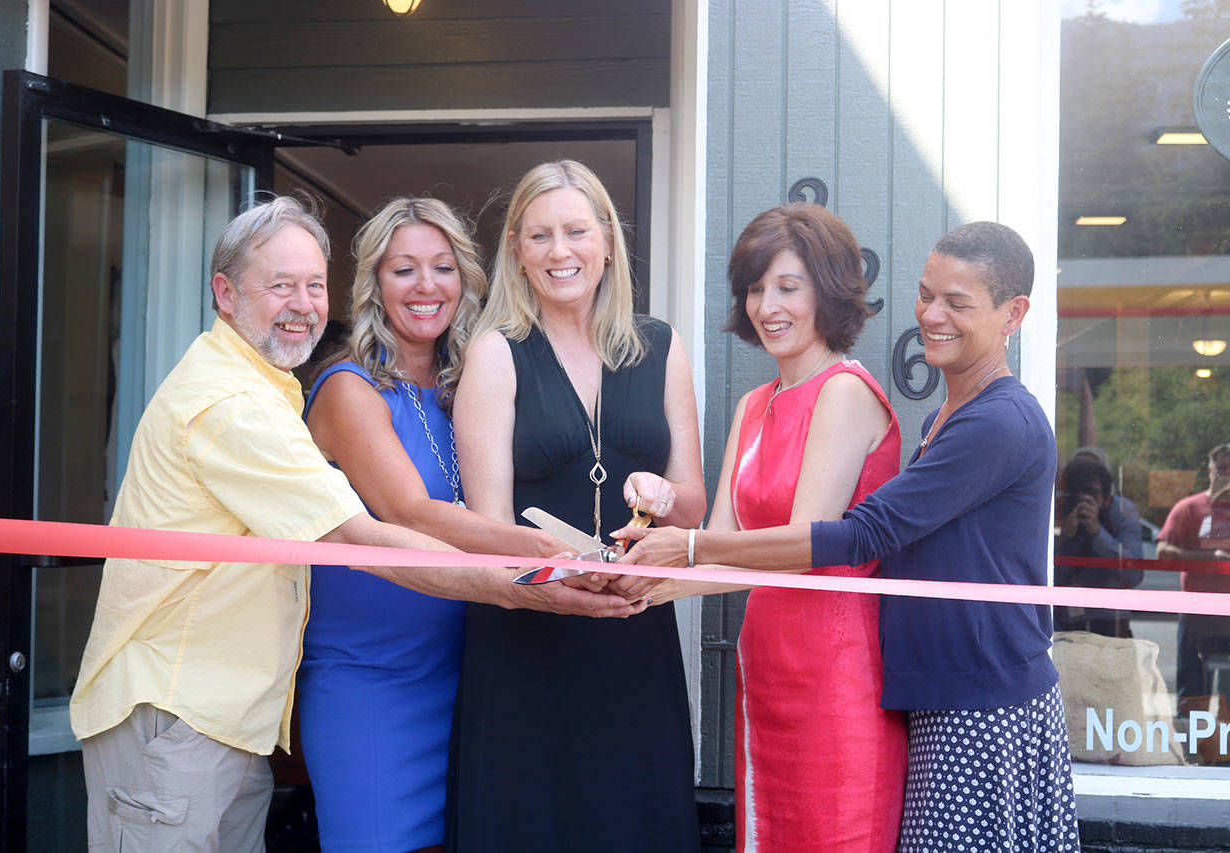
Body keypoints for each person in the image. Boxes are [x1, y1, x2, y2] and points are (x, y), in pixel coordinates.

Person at [69, 196, 641, 853]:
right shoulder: (236, 404)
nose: (302, 302)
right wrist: (533, 569)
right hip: (191, 706)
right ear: (225, 294)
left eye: (313, 285)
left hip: (240, 713)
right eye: (279, 285)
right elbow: (358, 534)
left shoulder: (276, 387)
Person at [618, 222, 1080, 852]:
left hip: (972, 700)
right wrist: (627, 577)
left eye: (957, 302)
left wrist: (688, 548)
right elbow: (723, 549)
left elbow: (851, 537)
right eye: (926, 294)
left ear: (1013, 314)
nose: (932, 314)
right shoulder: (948, 413)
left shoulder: (996, 419)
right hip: (926, 692)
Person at [448, 160, 706, 851]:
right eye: (540, 236)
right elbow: (490, 533)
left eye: (575, 231)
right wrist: (562, 574)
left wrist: (665, 496)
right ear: (517, 251)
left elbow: (695, 507)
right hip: (528, 647)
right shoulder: (496, 353)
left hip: (633, 635)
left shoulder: (661, 346)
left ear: (608, 242)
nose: (560, 251)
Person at [298, 198, 565, 852]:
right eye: (404, 270)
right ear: (373, 285)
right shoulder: (347, 388)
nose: (425, 286)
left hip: (464, 675)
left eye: (442, 268)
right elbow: (411, 511)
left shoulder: (463, 391)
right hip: (367, 683)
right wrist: (556, 551)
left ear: (465, 281)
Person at [1157, 443, 1230, 702]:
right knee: (1192, 690)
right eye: (1222, 467)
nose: (1227, 473)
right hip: (1196, 609)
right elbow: (1163, 551)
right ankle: (1190, 740)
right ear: (1210, 470)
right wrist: (1210, 558)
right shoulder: (1189, 508)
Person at [1053, 454, 1143, 637]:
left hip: (1110, 621)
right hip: (1064, 623)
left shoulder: (1121, 512)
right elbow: (1042, 578)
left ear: (1107, 497)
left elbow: (1133, 575)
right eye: (1075, 493)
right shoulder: (1056, 508)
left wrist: (1097, 533)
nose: (1083, 501)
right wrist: (1064, 539)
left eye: (1091, 493)